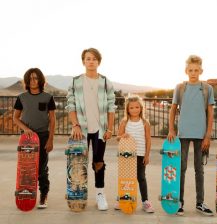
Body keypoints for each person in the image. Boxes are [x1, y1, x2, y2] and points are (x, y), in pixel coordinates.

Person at [66, 48, 115, 211]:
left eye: (94, 59)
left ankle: (100, 194)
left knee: (98, 162)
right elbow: (71, 105)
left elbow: (111, 106)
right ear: (83, 61)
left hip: (100, 130)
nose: (91, 61)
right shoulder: (75, 82)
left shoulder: (106, 82)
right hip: (81, 130)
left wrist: (110, 128)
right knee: (79, 163)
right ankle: (78, 193)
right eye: (88, 58)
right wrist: (75, 125)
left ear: (98, 62)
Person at [167, 55, 215, 216]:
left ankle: (200, 203)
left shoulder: (207, 88)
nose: (193, 73)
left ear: (201, 71)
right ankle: (179, 202)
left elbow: (210, 113)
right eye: (190, 70)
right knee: (181, 168)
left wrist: (208, 135)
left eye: (196, 70)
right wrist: (171, 130)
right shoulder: (180, 87)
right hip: (183, 134)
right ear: (186, 71)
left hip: (201, 135)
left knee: (199, 169)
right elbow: (173, 109)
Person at [13, 68, 56, 209]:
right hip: (27, 139)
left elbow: (53, 120)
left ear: (40, 80)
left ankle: (43, 195)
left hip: (43, 136)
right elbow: (15, 117)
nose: (33, 81)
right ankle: (26, 193)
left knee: (42, 168)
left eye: (36, 78)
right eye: (30, 78)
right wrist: (26, 129)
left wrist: (50, 140)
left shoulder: (48, 97)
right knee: (26, 168)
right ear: (26, 80)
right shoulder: (21, 97)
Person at [115, 95, 154, 213]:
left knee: (141, 177)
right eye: (131, 108)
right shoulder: (124, 122)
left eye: (137, 107)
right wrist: (123, 136)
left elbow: (148, 140)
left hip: (141, 154)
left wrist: (147, 155)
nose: (135, 110)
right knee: (126, 177)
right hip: (127, 155)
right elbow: (118, 138)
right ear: (127, 109)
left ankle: (145, 201)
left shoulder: (145, 123)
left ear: (141, 108)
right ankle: (123, 199)